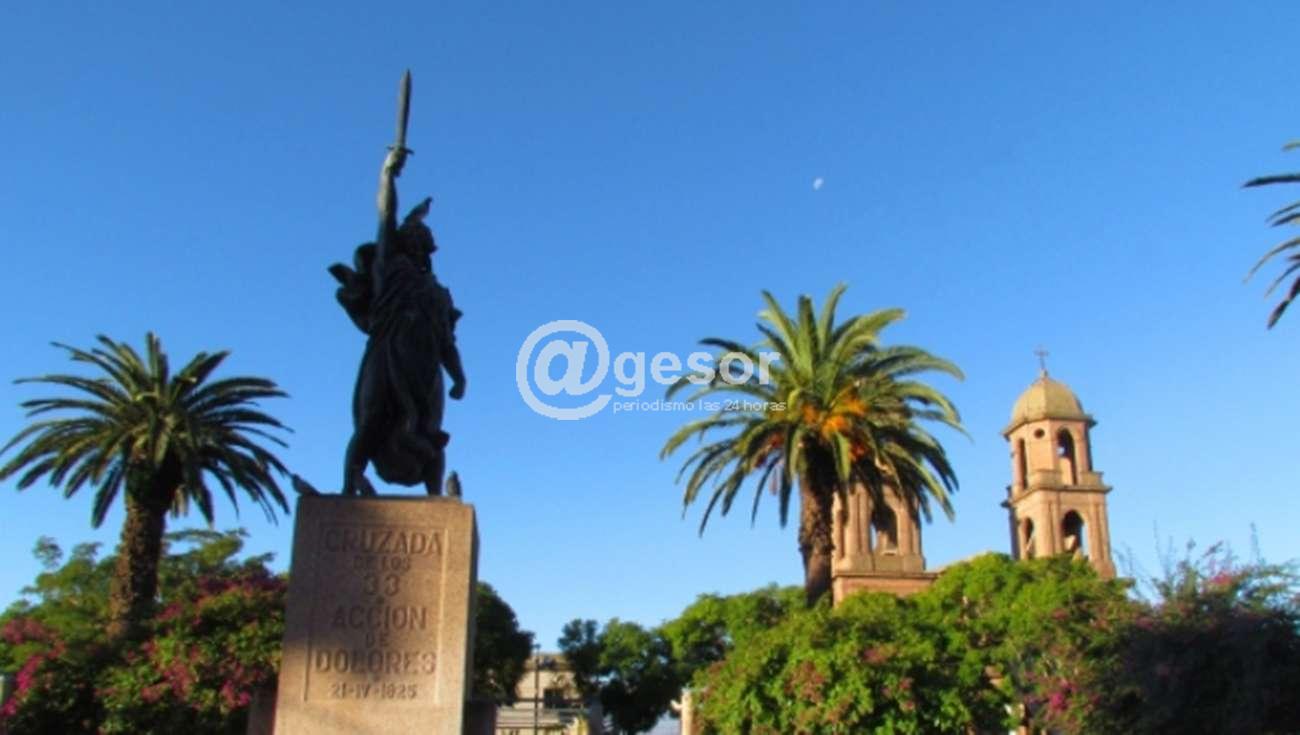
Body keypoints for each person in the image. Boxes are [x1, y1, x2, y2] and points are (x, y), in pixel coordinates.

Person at [330, 146, 466, 496]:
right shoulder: (390, 266)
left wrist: (459, 376)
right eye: (417, 232)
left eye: (424, 235)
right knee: (373, 419)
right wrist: (387, 174)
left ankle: (436, 497)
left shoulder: (437, 291)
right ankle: (348, 488)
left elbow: (447, 341)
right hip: (388, 351)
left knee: (431, 433)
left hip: (425, 365)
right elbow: (386, 214)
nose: (422, 236)